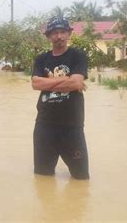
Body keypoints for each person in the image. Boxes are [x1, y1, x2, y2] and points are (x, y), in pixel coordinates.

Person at [31, 17, 90, 180]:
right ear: (48, 36)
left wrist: (47, 83)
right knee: (42, 178)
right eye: (55, 33)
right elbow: (35, 84)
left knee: (81, 178)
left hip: (72, 126)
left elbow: (77, 82)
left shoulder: (78, 56)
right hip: (44, 125)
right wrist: (68, 80)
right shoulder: (41, 59)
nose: (59, 36)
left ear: (69, 33)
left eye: (63, 32)